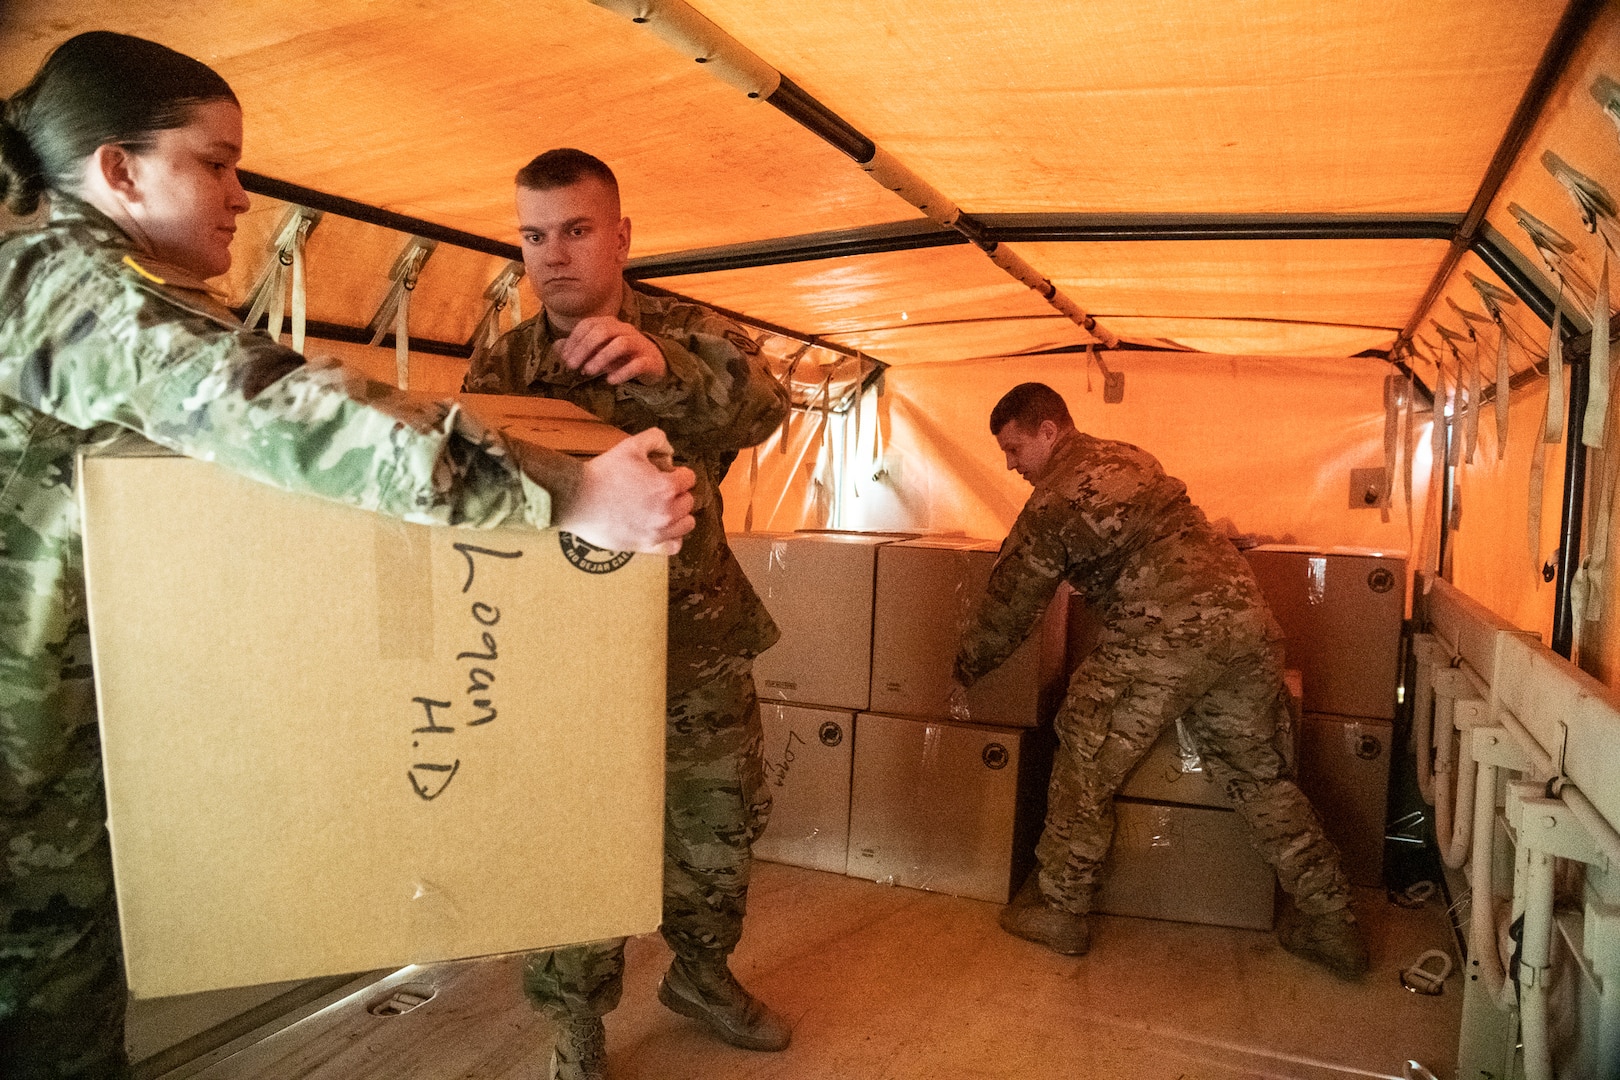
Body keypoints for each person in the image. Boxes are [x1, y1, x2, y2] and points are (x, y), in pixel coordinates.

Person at [0, 34, 698, 1079]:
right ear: (119, 168)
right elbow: (275, 408)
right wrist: (574, 496)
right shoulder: (73, 292)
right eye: (216, 161)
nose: (242, 195)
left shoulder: (90, 290)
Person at [462, 148, 791, 1080]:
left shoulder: (690, 332)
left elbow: (770, 406)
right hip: (569, 661)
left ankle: (700, 973)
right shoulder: (506, 362)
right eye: (533, 236)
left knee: (717, 831)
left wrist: (668, 365)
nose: (553, 255)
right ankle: (572, 1019)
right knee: (574, 843)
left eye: (575, 230)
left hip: (696, 647)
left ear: (620, 235)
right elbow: (481, 500)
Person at [952, 382, 1369, 979]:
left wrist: (962, 669)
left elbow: (1010, 601)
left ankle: (1060, 907)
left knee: (1085, 745)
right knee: (1259, 776)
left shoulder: (1055, 500)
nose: (1012, 466)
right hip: (1246, 623)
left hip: (1165, 631)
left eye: (1015, 450)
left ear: (1049, 430)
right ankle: (1333, 922)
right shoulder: (1131, 456)